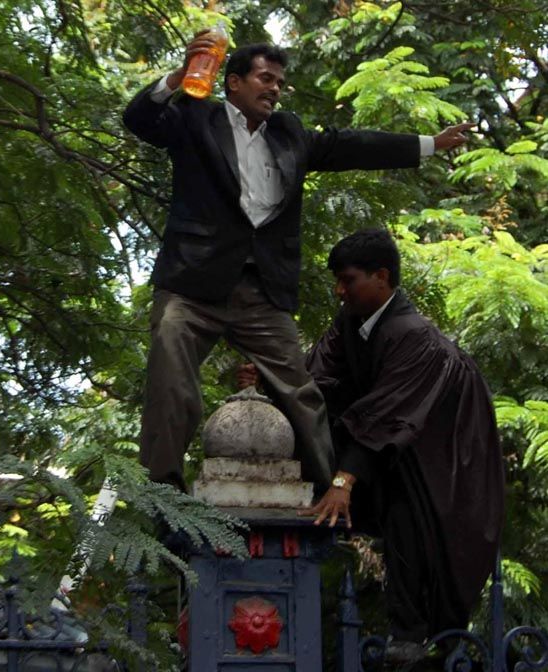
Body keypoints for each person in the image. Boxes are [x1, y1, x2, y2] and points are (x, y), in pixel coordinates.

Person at [123, 36, 474, 494]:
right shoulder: (196, 117)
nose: (274, 89)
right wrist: (180, 74)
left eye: (280, 83)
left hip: (262, 291)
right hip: (192, 284)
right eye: (265, 78)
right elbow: (139, 119)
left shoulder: (288, 133)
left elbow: (352, 146)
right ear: (234, 82)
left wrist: (429, 143)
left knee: (301, 394)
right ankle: (163, 495)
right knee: (170, 374)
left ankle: (327, 498)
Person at [243, 229, 504, 656]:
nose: (339, 290)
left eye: (348, 280)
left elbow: (387, 414)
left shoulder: (413, 335)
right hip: (395, 444)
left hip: (445, 448)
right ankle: (408, 637)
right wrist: (267, 381)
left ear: (381, 277)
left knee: (419, 523)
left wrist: (343, 482)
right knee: (393, 512)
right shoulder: (350, 323)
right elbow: (313, 383)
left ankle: (421, 641)